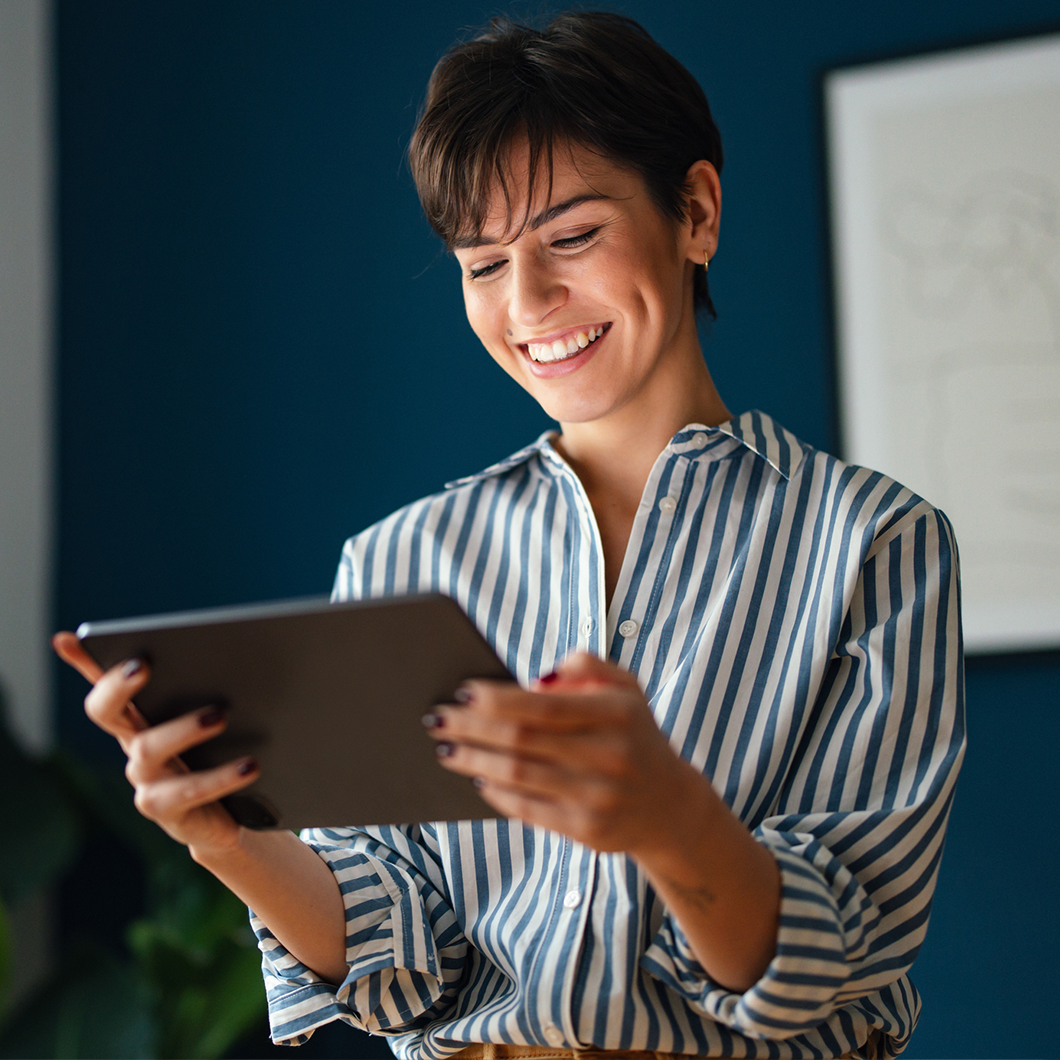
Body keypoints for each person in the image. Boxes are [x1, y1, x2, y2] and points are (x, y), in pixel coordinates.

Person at [53, 11, 965, 1060]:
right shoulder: (399, 560)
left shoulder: (874, 544)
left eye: (570, 237)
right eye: (481, 265)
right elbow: (404, 952)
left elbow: (837, 951)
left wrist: (671, 818)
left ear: (697, 211)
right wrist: (229, 841)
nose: (526, 302)